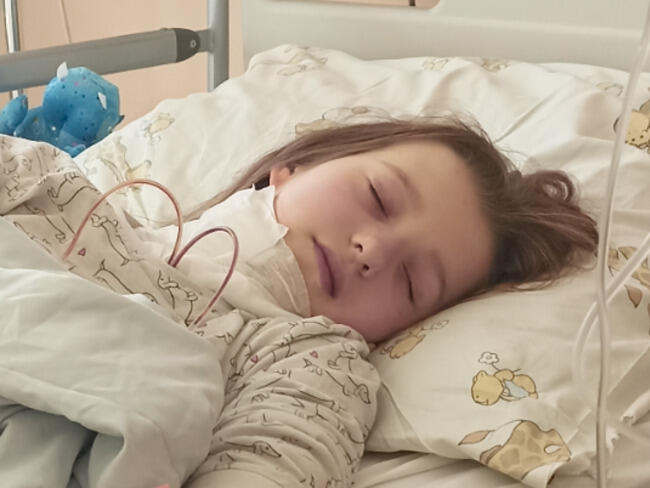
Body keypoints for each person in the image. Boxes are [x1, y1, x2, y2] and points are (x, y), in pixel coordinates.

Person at [0, 116, 598, 488]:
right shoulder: (48, 182)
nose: (372, 250)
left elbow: (276, 462)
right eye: (379, 198)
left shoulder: (312, 367)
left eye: (412, 282)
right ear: (295, 167)